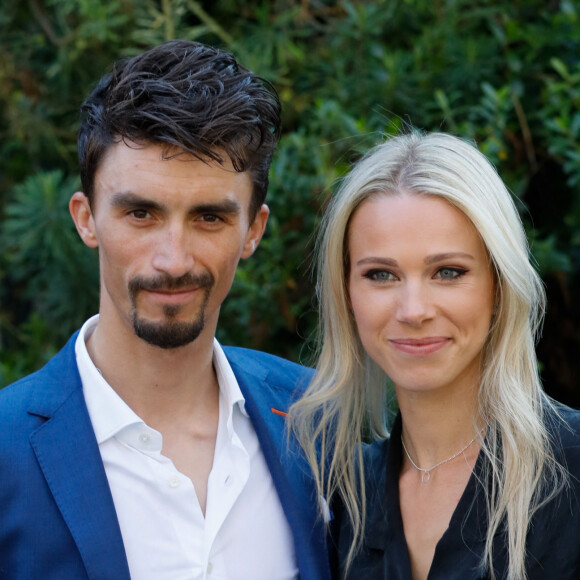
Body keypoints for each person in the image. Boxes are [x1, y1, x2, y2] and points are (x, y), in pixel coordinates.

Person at [0, 40, 332, 580]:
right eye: (140, 213)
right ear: (86, 219)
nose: (173, 260)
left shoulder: (318, 420)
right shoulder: (6, 449)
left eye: (209, 218)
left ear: (253, 230)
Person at [291, 131, 580, 579]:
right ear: (346, 292)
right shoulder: (342, 500)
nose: (413, 311)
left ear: (499, 286)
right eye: (381, 275)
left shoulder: (572, 467)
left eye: (448, 272)